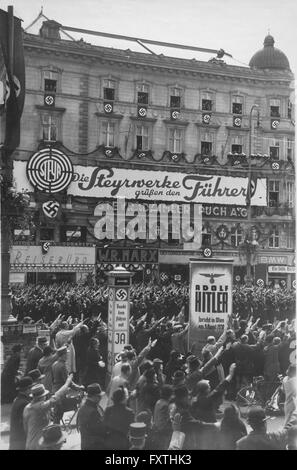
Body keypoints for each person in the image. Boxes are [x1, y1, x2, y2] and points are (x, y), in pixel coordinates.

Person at [23, 375, 73, 450]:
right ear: (42, 396)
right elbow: (56, 397)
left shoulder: (26, 408)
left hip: (29, 444)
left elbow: (25, 428)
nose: (46, 397)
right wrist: (67, 383)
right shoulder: (41, 407)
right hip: (40, 445)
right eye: (45, 396)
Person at [51, 346, 83, 423]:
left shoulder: (54, 364)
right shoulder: (62, 366)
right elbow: (68, 382)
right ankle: (56, 430)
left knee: (57, 413)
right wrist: (78, 387)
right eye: (66, 354)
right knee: (58, 414)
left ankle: (56, 428)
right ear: (63, 355)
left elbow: (53, 379)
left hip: (55, 389)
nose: (67, 356)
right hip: (61, 392)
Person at [77, 383, 106, 450]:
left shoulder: (83, 407)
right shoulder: (93, 412)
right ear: (95, 396)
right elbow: (100, 430)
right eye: (99, 396)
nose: (101, 398)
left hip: (85, 445)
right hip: (94, 446)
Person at [9, 377, 34, 450]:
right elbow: (24, 424)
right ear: (28, 389)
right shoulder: (24, 403)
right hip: (20, 440)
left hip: (16, 438)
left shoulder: (19, 399)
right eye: (31, 387)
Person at [152, 384, 173, 449]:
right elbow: (163, 421)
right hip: (162, 432)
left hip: (156, 428)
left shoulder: (159, 402)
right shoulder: (165, 405)